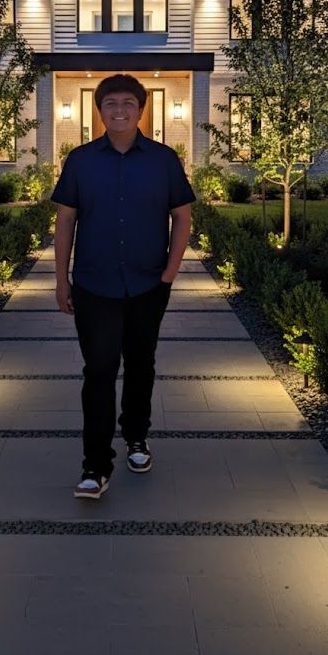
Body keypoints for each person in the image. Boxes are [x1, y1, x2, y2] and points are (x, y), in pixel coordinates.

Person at [51, 73, 196, 499]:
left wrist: (169, 273)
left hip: (148, 284)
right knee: (98, 371)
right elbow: (65, 221)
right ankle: (95, 465)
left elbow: (182, 216)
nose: (119, 110)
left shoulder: (164, 160)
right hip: (94, 285)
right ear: (100, 110)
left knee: (140, 364)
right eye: (110, 103)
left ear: (140, 110)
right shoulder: (80, 161)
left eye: (128, 103)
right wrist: (61, 280)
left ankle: (136, 437)